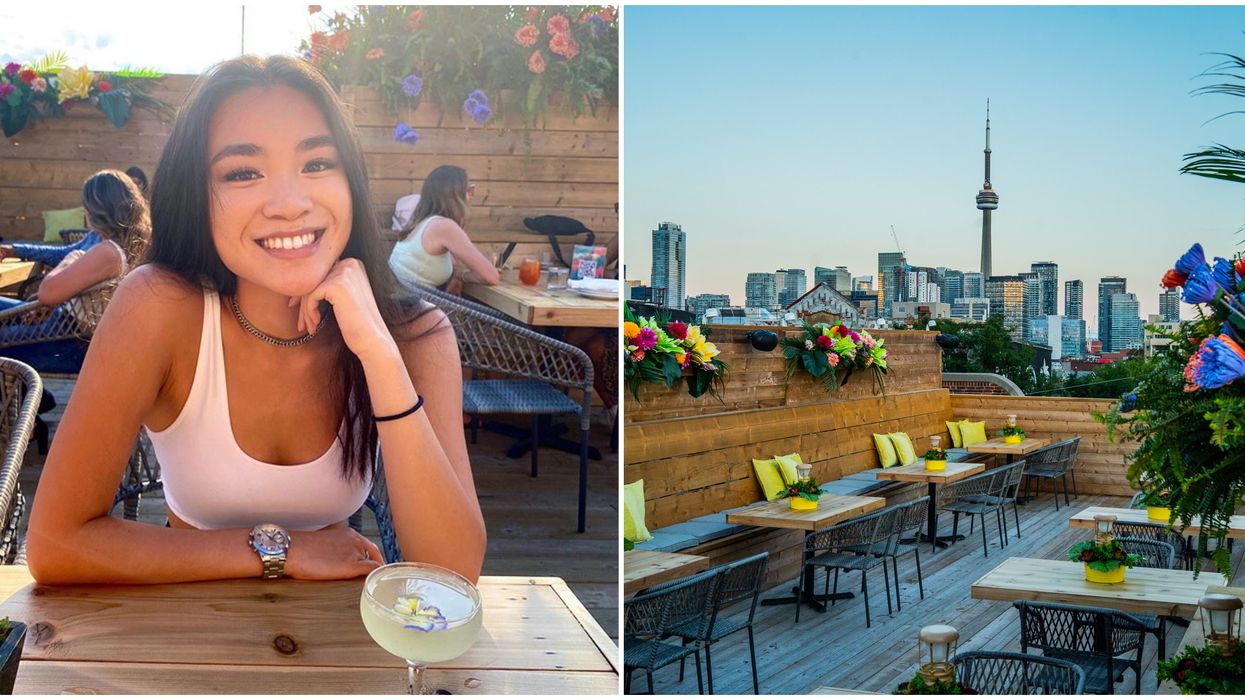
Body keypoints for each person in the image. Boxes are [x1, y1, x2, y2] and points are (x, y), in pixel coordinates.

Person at [26, 55, 486, 586]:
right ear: (197, 194)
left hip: (341, 637)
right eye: (243, 172)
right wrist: (280, 550)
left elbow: (455, 570)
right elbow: (56, 543)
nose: (289, 204)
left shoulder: (414, 336)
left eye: (317, 163)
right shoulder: (158, 306)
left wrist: (379, 355)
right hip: (181, 629)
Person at [0, 169, 149, 374]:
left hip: (67, 340)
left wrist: (73, 257)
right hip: (64, 327)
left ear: (96, 210)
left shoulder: (108, 252)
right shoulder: (126, 246)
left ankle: (36, 396)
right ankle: (35, 395)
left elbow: (47, 292)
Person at [388, 165, 499, 292]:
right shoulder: (444, 227)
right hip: (414, 306)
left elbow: (446, 262)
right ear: (455, 195)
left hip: (400, 302)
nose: (471, 196)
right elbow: (491, 276)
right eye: (469, 189)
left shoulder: (420, 222)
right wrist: (461, 276)